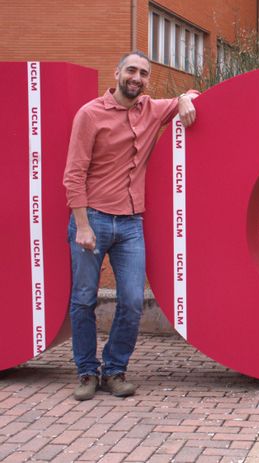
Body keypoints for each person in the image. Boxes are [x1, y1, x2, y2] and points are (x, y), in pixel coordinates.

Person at [63, 51, 198, 401]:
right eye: (131, 71)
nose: (137, 78)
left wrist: (185, 98)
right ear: (118, 72)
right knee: (83, 299)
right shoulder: (90, 114)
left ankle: (115, 370)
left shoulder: (151, 109)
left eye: (143, 73)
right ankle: (86, 373)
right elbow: (74, 173)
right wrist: (82, 225)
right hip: (91, 218)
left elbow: (192, 97)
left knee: (133, 300)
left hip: (131, 225)